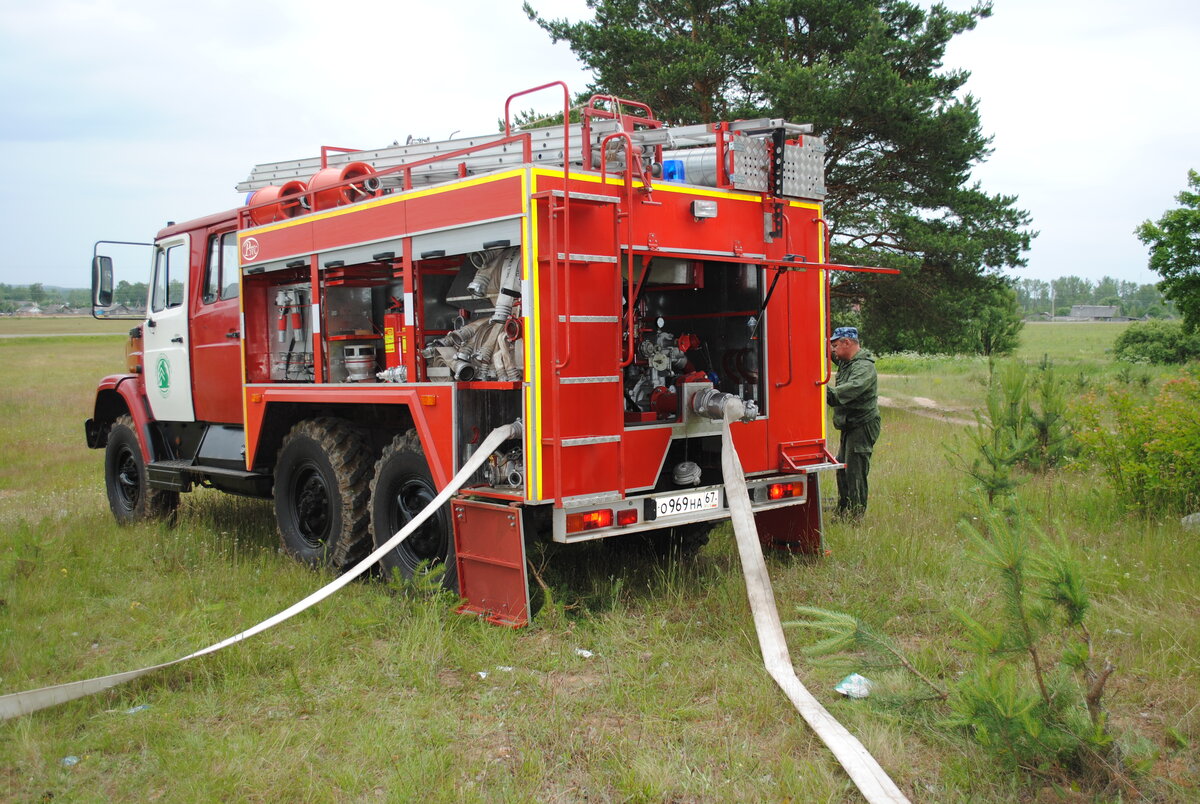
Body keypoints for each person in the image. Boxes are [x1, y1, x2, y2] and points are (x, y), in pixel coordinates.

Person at [825, 326, 880, 519]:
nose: (832, 350)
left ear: (847, 343)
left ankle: (856, 516)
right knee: (842, 468)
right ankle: (843, 509)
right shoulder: (848, 361)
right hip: (850, 424)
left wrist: (821, 390)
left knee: (855, 472)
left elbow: (847, 391)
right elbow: (825, 352)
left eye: (835, 345)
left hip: (862, 425)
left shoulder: (863, 367)